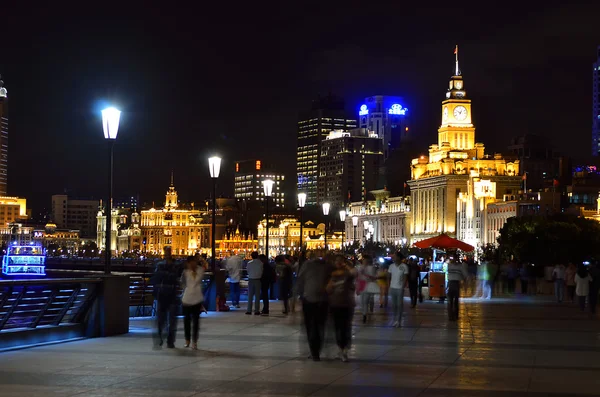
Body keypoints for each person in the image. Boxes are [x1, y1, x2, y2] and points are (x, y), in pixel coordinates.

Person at [296, 250, 331, 361]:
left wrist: (298, 295)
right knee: (319, 326)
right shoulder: (327, 266)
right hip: (321, 300)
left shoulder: (308, 265)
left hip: (310, 299)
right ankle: (316, 351)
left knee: (311, 326)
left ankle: (314, 351)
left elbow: (300, 281)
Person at [326, 255, 356, 362]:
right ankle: (341, 349)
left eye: (340, 261)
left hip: (347, 304)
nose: (338, 263)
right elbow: (328, 289)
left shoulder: (348, 274)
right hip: (335, 304)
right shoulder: (332, 275)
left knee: (346, 327)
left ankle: (344, 351)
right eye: (336, 261)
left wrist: (346, 265)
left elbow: (354, 272)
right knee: (337, 328)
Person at [150, 246, 180, 349]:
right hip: (163, 294)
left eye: (168, 251)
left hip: (170, 294)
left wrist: (165, 275)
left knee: (171, 320)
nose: (167, 253)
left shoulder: (172, 265)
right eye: (166, 251)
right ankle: (161, 338)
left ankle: (170, 341)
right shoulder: (162, 264)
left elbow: (173, 276)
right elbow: (158, 276)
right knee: (161, 320)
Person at [181, 256, 205, 350]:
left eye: (194, 262)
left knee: (196, 321)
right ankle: (187, 340)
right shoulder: (185, 272)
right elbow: (182, 283)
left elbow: (203, 268)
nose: (192, 264)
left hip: (197, 299)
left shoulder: (200, 270)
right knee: (186, 321)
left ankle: (194, 341)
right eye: (190, 262)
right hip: (186, 299)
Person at [389, 251, 409, 327]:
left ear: (399, 257)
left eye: (395, 256)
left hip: (400, 288)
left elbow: (405, 277)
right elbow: (389, 276)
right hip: (392, 287)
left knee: (399, 304)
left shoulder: (404, 266)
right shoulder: (391, 266)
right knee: (394, 305)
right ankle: (394, 319)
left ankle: (399, 320)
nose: (393, 257)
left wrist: (403, 286)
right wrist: (389, 285)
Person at [446, 253, 469, 321]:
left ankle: (450, 316)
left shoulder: (448, 266)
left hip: (450, 284)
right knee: (455, 301)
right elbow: (466, 275)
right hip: (456, 284)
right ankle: (455, 316)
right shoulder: (460, 266)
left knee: (450, 301)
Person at [359, 254, 379, 323]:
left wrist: (367, 275)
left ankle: (364, 315)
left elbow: (374, 277)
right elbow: (358, 277)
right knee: (362, 301)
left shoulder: (371, 268)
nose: (364, 261)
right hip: (362, 285)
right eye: (363, 259)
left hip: (368, 285)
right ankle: (364, 313)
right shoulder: (360, 267)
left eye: (365, 259)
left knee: (365, 301)